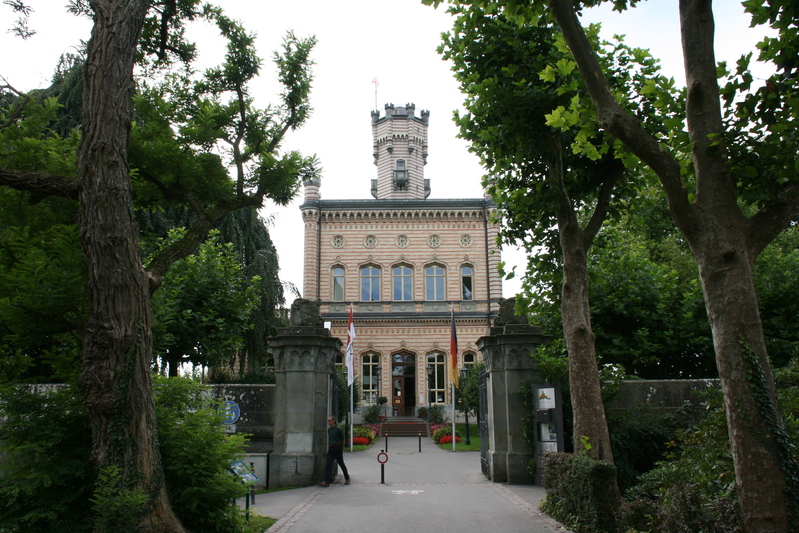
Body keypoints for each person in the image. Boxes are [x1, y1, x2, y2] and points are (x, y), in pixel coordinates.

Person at [320, 415, 350, 487]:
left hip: (337, 447)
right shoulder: (329, 430)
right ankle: (327, 481)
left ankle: (347, 478)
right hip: (331, 448)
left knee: (341, 463)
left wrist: (341, 448)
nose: (328, 422)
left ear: (333, 421)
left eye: (329, 421)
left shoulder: (338, 429)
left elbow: (343, 439)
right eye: (328, 421)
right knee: (328, 464)